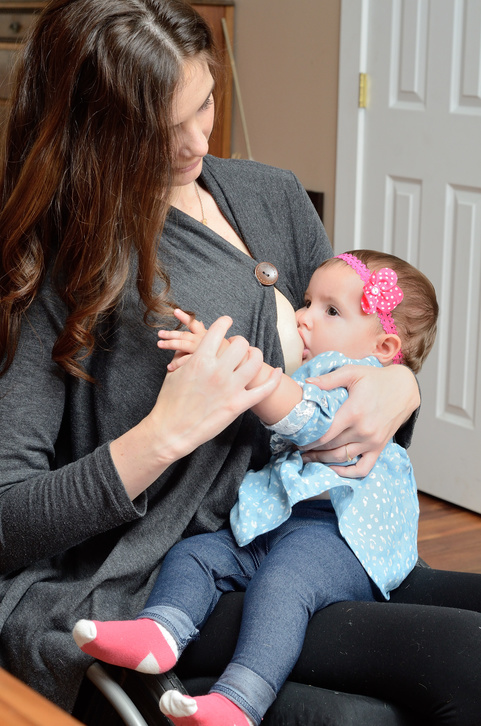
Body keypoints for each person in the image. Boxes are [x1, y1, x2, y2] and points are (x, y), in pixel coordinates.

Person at [0, 1, 479, 724]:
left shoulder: (271, 196)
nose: (198, 141)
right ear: (99, 133)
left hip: (307, 529)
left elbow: (356, 337)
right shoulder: (56, 265)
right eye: (167, 129)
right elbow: (8, 515)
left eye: (208, 103)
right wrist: (161, 436)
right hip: (165, 578)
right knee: (442, 672)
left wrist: (396, 384)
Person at [72, 249, 438, 726]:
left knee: (282, 583)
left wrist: (238, 368)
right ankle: (158, 632)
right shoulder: (314, 373)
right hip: (280, 521)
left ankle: (240, 700)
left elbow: (309, 417)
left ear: (385, 350)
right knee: (197, 555)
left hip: (341, 538)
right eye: (306, 302)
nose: (303, 318)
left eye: (331, 311)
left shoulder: (353, 382)